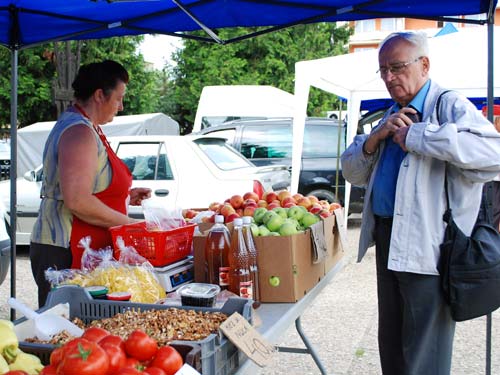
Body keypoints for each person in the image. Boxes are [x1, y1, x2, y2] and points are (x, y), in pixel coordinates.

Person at [341, 32, 500, 375]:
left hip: (430, 247)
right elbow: (351, 172)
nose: (388, 77)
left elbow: (493, 154)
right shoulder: (389, 113)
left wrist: (420, 135)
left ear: (424, 65)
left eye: (396, 67)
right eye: (382, 70)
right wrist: (373, 140)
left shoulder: (448, 106)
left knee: (424, 351)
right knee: (393, 345)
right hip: (387, 238)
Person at [30, 60, 151, 307]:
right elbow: (78, 201)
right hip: (64, 247)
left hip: (76, 245)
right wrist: (134, 225)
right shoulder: (79, 132)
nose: (121, 106)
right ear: (99, 95)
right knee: (66, 328)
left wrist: (125, 197)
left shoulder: (86, 126)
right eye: (118, 98)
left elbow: (89, 185)